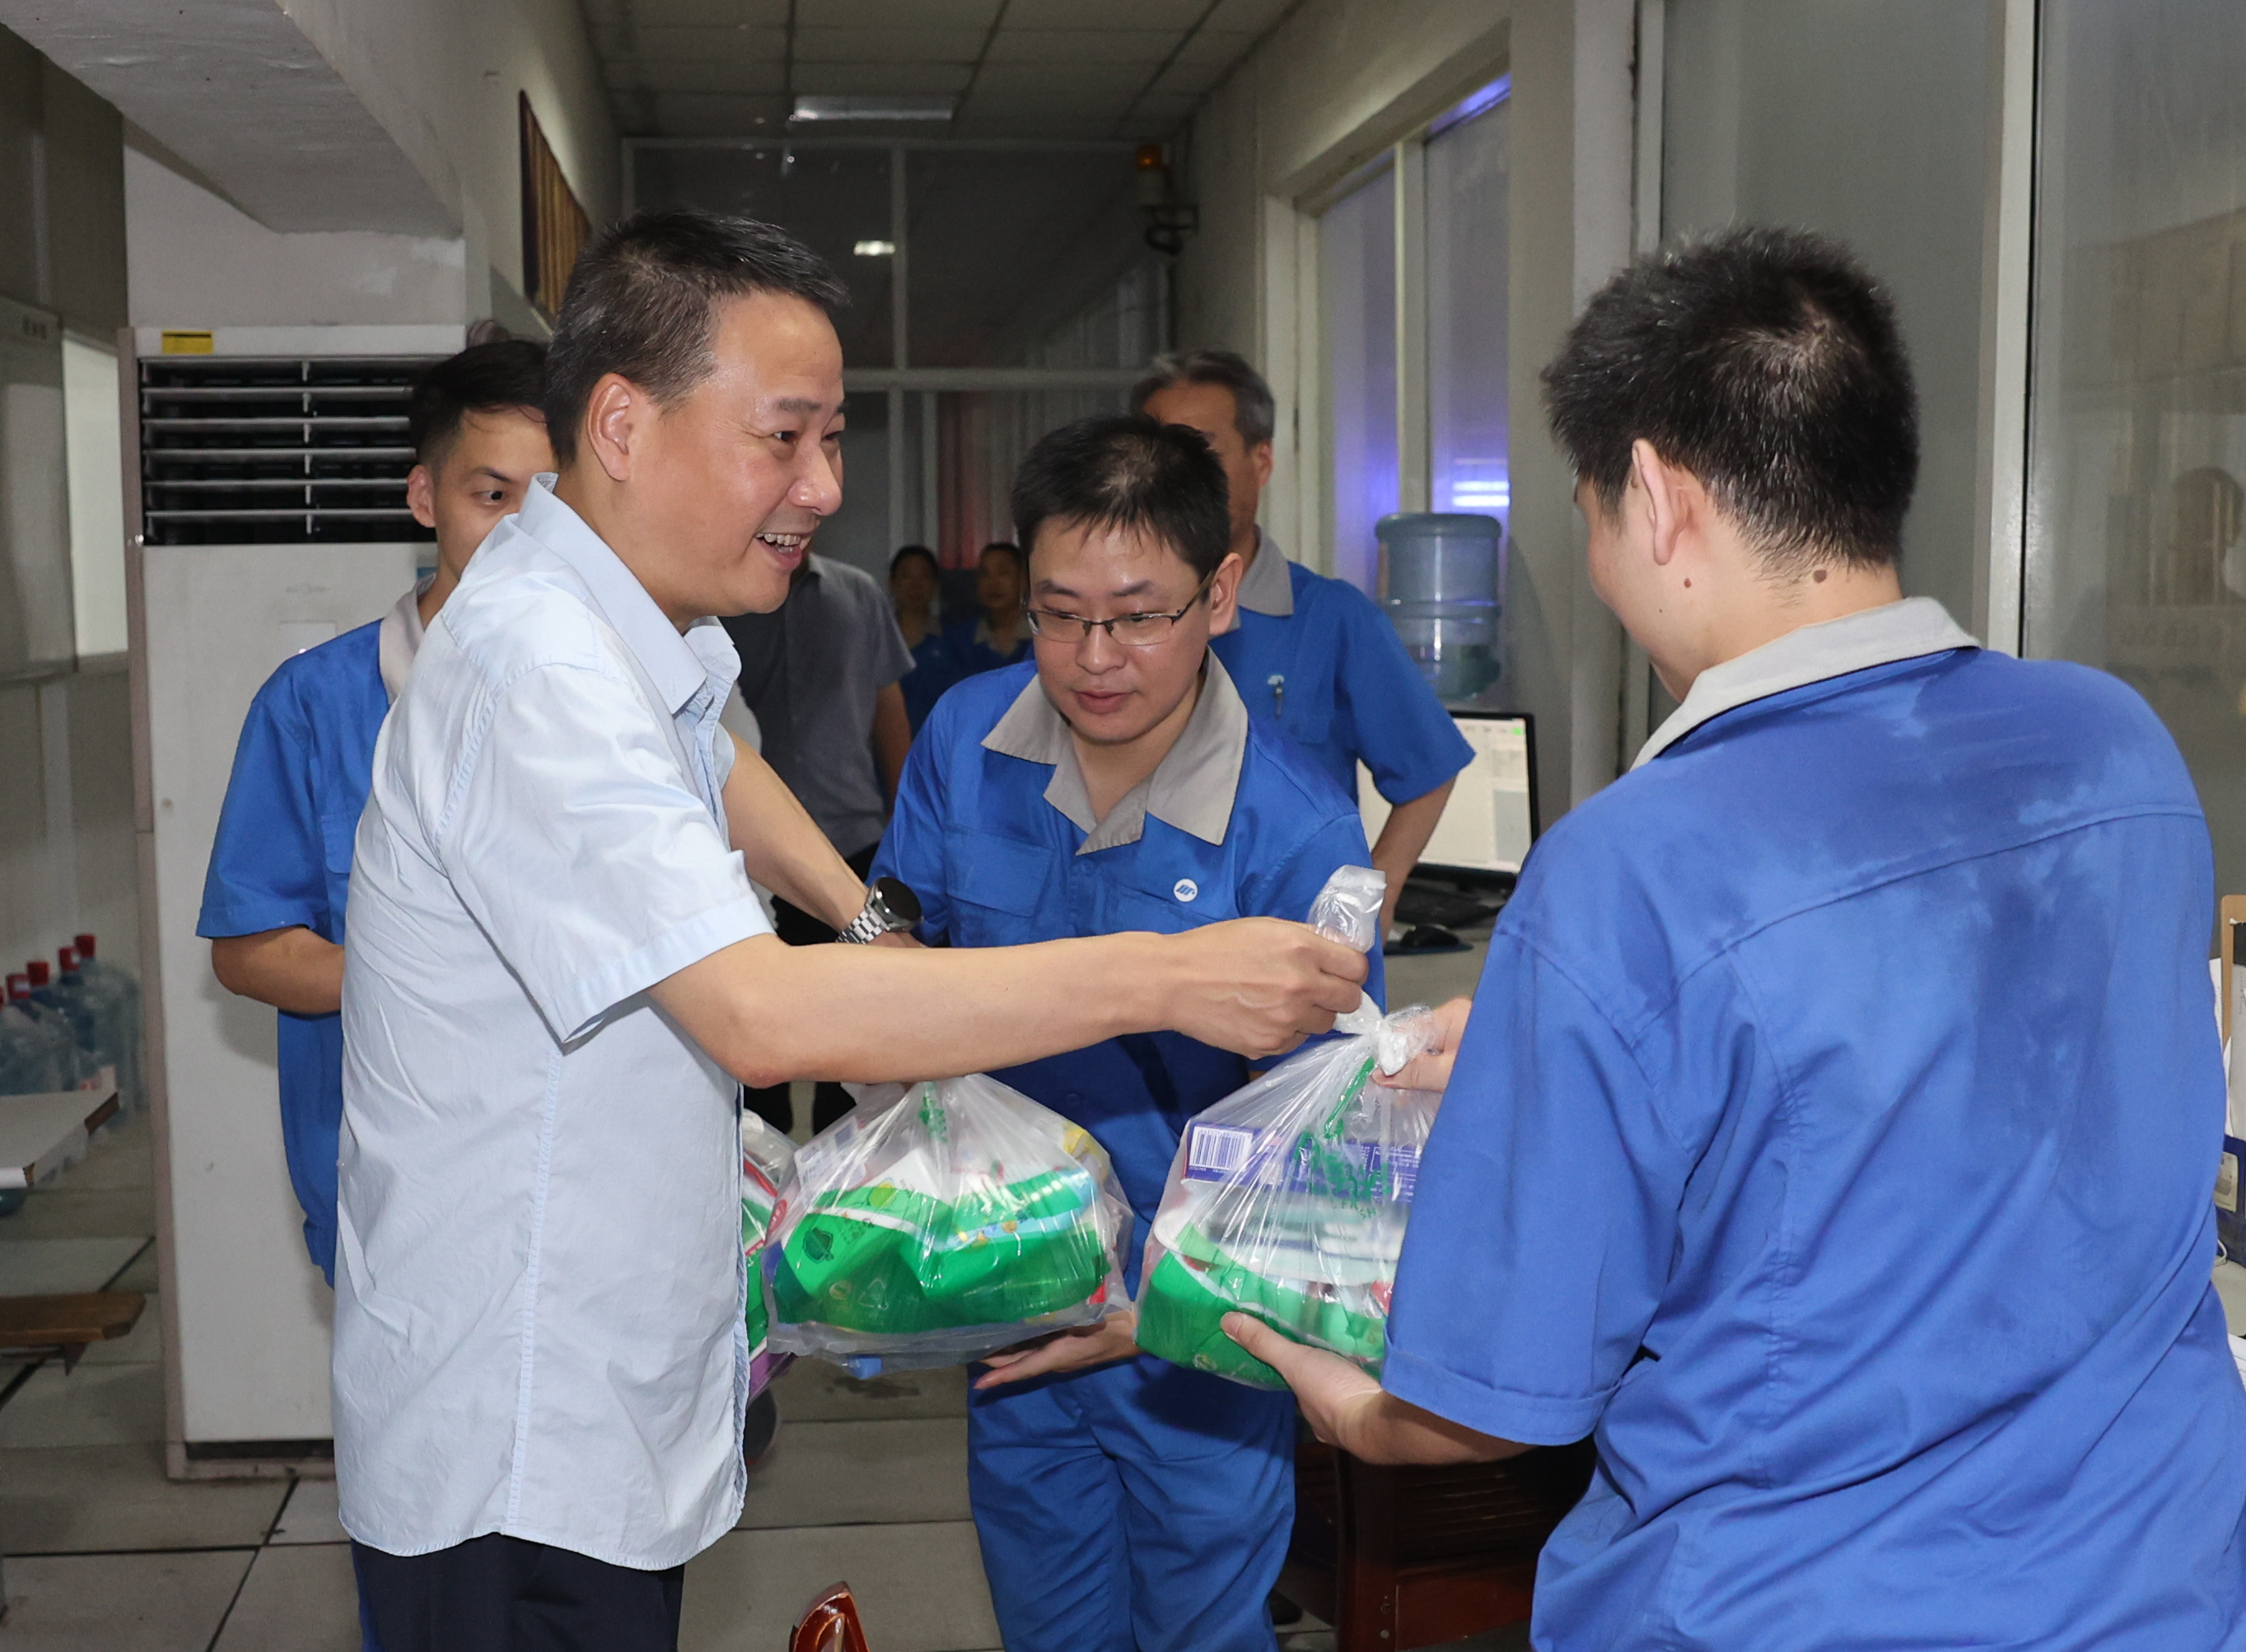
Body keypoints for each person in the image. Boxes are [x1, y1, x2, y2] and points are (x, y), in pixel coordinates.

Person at [333, 207, 1366, 1652]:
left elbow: (717, 762)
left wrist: (866, 915)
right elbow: (760, 1015)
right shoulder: (539, 669)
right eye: (786, 437)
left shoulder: (619, 627)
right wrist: (1167, 976)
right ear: (623, 424)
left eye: (831, 440)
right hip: (522, 1424)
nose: (823, 486)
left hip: (608, 1376)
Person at [1229, 228, 2246, 1651]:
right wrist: (1565, 1055)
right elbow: (1944, 1090)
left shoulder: (1629, 868)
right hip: (2152, 1585)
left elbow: (1484, 1402)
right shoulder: (2115, 745)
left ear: (1653, 498)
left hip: (1793, 1605)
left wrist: (1355, 1412)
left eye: (1588, 513)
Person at [872, 413, 1382, 1652]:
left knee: (1199, 1626)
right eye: (1058, 615)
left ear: (1219, 594)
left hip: (1195, 1334)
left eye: (1137, 616)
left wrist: (1147, 1310)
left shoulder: (1296, 826)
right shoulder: (967, 740)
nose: (1094, 659)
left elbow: (1328, 1162)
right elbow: (895, 953)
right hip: (1013, 1292)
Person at [194, 335, 549, 1652]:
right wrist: (430, 984)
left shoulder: (623, 691)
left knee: (583, 1557)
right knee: (436, 1548)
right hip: (400, 1198)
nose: (519, 533)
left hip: (585, 1200)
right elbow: (249, 944)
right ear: (424, 496)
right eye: (490, 495)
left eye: (551, 500)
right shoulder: (319, 702)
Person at [1136, 352, 1472, 937]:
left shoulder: (1331, 617)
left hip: (1293, 947)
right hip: (1147, 936)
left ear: (1260, 460)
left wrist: (1374, 896)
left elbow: (1429, 769)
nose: (1179, 476)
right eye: (1159, 453)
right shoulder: (1111, 622)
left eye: (1201, 449)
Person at [725, 548, 915, 1136]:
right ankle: (763, 1163)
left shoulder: (858, 594)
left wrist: (903, 818)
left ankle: (847, 1166)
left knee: (852, 1033)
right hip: (746, 862)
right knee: (759, 1039)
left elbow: (888, 709)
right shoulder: (721, 598)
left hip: (853, 840)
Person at [889, 543, 955, 731]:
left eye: (924, 577)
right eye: (906, 576)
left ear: (935, 586)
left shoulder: (954, 641)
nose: (915, 585)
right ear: (892, 583)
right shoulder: (877, 639)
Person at [941, 539, 1031, 675]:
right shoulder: (960, 640)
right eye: (985, 574)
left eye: (1003, 573)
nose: (993, 583)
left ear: (1024, 580)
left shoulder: (1041, 635)